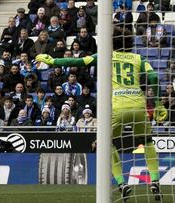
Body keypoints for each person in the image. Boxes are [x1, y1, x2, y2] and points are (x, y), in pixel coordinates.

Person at [36, 26, 165, 200]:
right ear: (130, 43)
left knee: (107, 145)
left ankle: (122, 183)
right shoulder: (139, 59)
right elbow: (154, 78)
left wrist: (53, 61)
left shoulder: (105, 56)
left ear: (111, 42)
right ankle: (155, 180)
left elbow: (77, 62)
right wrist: (157, 104)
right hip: (138, 107)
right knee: (147, 142)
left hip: (116, 108)